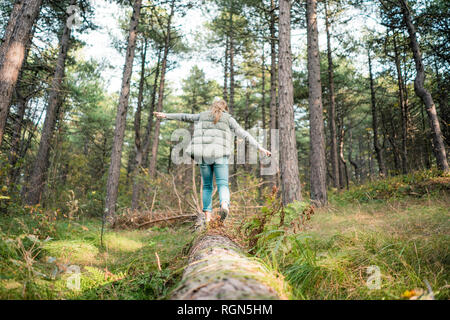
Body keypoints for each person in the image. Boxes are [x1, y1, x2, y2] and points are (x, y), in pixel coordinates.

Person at [154, 99, 271, 223]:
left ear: (212, 107)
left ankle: (208, 219)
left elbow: (184, 116)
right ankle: (224, 205)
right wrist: (260, 148)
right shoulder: (228, 118)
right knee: (222, 184)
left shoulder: (202, 115)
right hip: (220, 155)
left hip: (203, 155)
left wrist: (166, 115)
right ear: (225, 108)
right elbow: (244, 134)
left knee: (207, 187)